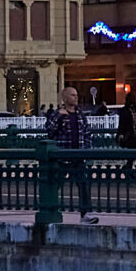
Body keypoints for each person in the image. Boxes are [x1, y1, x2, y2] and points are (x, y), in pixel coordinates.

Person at [44, 85, 98, 223]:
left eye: (76, 95)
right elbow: (50, 132)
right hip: (61, 156)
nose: (76, 97)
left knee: (83, 185)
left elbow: (87, 133)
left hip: (77, 156)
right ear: (65, 98)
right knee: (55, 185)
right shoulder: (57, 114)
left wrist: (86, 150)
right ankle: (50, 211)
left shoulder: (80, 115)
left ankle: (84, 214)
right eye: (73, 95)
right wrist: (61, 119)